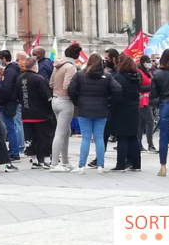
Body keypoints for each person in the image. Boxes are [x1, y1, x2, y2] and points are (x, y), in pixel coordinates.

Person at [68, 54, 121, 173]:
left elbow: (71, 89)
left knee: (85, 138)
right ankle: (100, 165)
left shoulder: (80, 74)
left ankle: (81, 166)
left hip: (84, 109)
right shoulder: (107, 76)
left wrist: (77, 102)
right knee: (99, 137)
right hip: (101, 109)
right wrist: (110, 101)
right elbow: (118, 89)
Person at [15, 56, 54, 169]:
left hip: (26, 113)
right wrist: (50, 109)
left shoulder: (19, 79)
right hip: (41, 114)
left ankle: (34, 160)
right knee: (44, 137)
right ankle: (45, 160)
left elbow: (17, 95)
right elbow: (46, 96)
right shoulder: (39, 79)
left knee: (30, 138)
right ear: (35, 66)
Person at [109, 54, 145, 172]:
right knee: (133, 136)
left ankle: (120, 164)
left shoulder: (118, 78)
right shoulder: (137, 77)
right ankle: (136, 164)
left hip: (121, 108)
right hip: (134, 109)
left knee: (122, 137)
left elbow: (114, 93)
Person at [49, 43, 80, 172]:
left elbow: (51, 83)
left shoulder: (58, 65)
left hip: (55, 99)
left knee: (66, 132)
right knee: (61, 133)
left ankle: (65, 161)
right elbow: (68, 85)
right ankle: (54, 163)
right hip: (65, 101)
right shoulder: (70, 67)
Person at [150, 48, 169, 177]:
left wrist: (158, 104)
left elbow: (153, 95)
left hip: (164, 104)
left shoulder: (157, 74)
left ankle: (163, 166)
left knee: (164, 136)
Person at [0, 49, 22, 161]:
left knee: (10, 128)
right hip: (11, 100)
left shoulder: (10, 70)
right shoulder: (13, 69)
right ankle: (14, 150)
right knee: (11, 127)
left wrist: (2, 96)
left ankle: (14, 151)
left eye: (0, 59)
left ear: (4, 59)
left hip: (8, 102)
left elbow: (7, 87)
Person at [137, 55, 157, 153]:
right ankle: (150, 144)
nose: (149, 63)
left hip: (148, 100)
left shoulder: (148, 72)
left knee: (141, 123)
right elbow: (139, 87)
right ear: (143, 62)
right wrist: (151, 87)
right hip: (142, 101)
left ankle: (139, 144)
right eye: (148, 61)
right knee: (150, 121)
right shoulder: (139, 72)